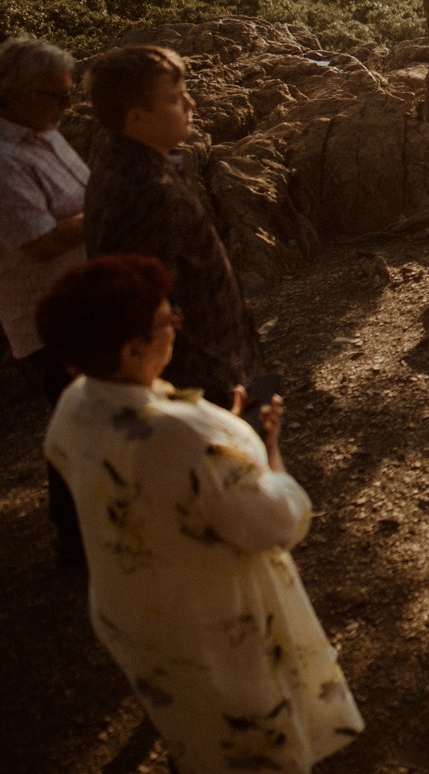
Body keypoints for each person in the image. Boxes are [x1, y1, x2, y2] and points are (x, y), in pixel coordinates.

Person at [39, 254, 362, 772]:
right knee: (251, 743)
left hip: (139, 617)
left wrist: (226, 444)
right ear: (132, 349)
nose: (176, 327)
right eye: (167, 321)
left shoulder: (76, 406)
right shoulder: (188, 439)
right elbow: (279, 521)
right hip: (218, 627)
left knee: (193, 729)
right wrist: (262, 449)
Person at [83, 44, 266, 404]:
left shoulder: (129, 162)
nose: (191, 105)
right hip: (200, 371)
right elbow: (148, 301)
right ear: (136, 118)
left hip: (213, 356)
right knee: (235, 454)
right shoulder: (146, 190)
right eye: (174, 99)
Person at [0, 35, 90, 564]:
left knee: (90, 419)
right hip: (48, 316)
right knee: (76, 424)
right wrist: (108, 206)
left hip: (83, 299)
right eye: (56, 96)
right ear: (10, 95)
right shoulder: (6, 161)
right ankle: (75, 541)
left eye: (70, 92)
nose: (68, 105)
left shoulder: (45, 132)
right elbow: (38, 244)